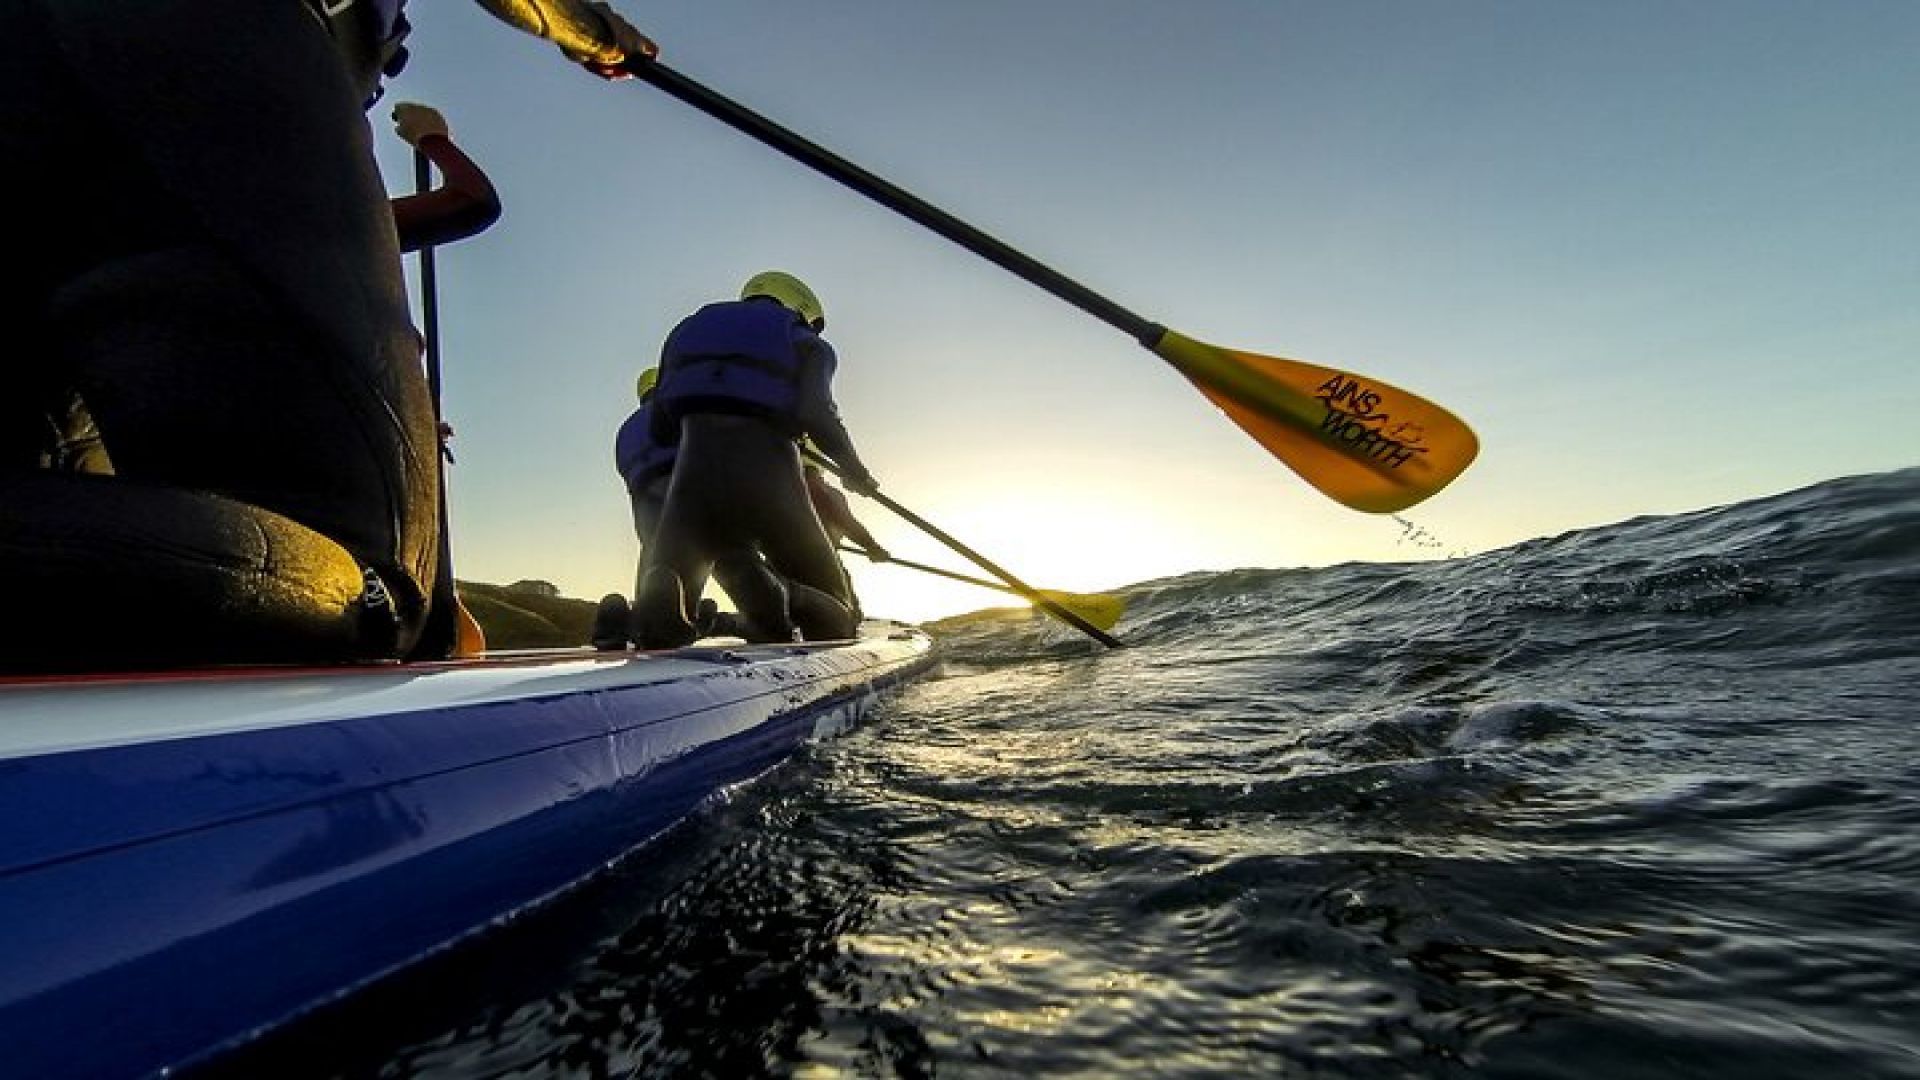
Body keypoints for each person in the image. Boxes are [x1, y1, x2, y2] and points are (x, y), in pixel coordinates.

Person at [0, 0, 652, 670]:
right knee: (360, 593)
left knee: (51, 467)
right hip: (215, 47)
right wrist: (589, 31)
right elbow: (472, 202)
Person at [632, 272, 879, 648]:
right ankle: (785, 592)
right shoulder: (807, 343)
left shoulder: (684, 331)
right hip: (770, 480)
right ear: (803, 308)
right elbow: (817, 412)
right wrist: (854, 471)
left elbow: (661, 429)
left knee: (672, 600)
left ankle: (658, 595)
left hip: (692, 486)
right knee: (838, 620)